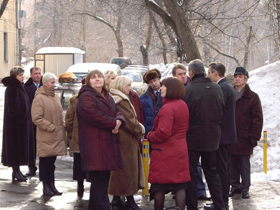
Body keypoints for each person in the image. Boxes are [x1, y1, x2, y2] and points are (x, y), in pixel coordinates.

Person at [76, 70, 125, 210]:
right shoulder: (86, 96)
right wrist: (113, 123)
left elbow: (117, 112)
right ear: (88, 81)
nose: (97, 80)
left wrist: (119, 121)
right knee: (100, 184)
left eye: (99, 77)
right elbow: (93, 115)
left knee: (100, 183)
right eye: (93, 78)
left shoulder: (106, 95)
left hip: (106, 145)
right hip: (95, 147)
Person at [182, 59, 225, 210]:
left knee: (192, 173)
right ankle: (220, 205)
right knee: (212, 172)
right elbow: (222, 110)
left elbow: (185, 116)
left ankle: (192, 206)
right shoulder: (217, 88)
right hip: (213, 137)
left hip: (192, 138)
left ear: (191, 73)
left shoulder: (188, 91)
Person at [147, 77, 190, 210]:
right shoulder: (182, 104)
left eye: (163, 86)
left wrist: (150, 136)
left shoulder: (167, 108)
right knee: (179, 184)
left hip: (165, 153)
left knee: (159, 185)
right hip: (180, 149)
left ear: (171, 89)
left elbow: (163, 133)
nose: (160, 88)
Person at [172, 63, 210, 201]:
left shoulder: (191, 89)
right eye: (180, 74)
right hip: (177, 136)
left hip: (191, 135)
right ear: (174, 76)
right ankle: (180, 192)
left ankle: (198, 191)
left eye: (184, 73)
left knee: (195, 166)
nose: (183, 76)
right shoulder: (170, 90)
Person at [108, 76, 145, 210]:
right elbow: (130, 122)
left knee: (119, 171)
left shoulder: (113, 97)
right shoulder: (121, 100)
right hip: (126, 141)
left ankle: (117, 199)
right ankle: (129, 199)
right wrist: (141, 129)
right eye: (128, 85)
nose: (130, 88)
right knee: (128, 171)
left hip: (119, 139)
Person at [206, 62, 237, 210]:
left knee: (221, 169)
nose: (208, 75)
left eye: (209, 73)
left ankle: (222, 201)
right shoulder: (227, 87)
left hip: (222, 135)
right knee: (223, 167)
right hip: (226, 134)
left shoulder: (222, 88)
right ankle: (222, 200)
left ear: (215, 73)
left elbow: (219, 110)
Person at [229, 67, 263, 199]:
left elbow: (257, 119)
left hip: (245, 136)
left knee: (244, 163)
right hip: (231, 135)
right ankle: (234, 185)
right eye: (236, 76)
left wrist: (254, 136)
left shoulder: (252, 97)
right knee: (231, 163)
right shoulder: (229, 94)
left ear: (246, 79)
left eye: (240, 76)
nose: (237, 79)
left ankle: (245, 187)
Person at [31, 72, 67, 196]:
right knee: (45, 162)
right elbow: (36, 118)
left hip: (56, 136)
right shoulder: (39, 98)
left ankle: (52, 184)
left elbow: (57, 115)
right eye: (52, 82)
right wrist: (50, 127)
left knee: (52, 162)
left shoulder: (55, 97)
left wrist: (62, 125)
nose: (54, 85)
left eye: (54, 82)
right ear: (45, 83)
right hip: (46, 135)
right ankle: (45, 185)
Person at [1, 66, 33, 183]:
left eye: (22, 75)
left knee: (18, 148)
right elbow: (13, 107)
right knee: (15, 148)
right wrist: (21, 118)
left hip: (20, 125)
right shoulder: (12, 88)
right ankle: (15, 171)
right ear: (15, 76)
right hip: (15, 126)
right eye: (20, 75)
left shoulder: (19, 87)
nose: (22, 77)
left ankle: (17, 171)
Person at [65, 78, 86, 198]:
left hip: (78, 141)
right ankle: (86, 188)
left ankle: (80, 187)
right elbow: (68, 120)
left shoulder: (75, 100)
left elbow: (68, 120)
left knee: (79, 165)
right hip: (87, 141)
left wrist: (70, 135)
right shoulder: (76, 100)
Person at [24, 67, 43, 176]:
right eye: (35, 73)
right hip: (31, 121)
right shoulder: (26, 87)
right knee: (32, 146)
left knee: (43, 145)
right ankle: (32, 167)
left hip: (43, 120)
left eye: (39, 73)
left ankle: (43, 168)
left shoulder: (44, 86)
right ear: (31, 75)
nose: (38, 75)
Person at [140, 69, 163, 138]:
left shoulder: (168, 94)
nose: (153, 83)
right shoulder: (143, 98)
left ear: (159, 79)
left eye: (155, 80)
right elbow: (142, 117)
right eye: (151, 82)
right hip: (150, 131)